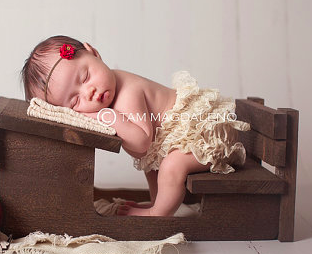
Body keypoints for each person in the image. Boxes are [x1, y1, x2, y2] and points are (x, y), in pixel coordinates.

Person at [20, 35, 250, 217]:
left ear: (94, 53)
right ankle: (157, 200)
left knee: (171, 164)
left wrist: (105, 117)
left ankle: (158, 214)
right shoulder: (110, 91)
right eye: (75, 101)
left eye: (85, 77)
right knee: (152, 162)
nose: (88, 92)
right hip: (181, 137)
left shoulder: (126, 92)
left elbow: (140, 143)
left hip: (208, 134)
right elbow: (147, 154)